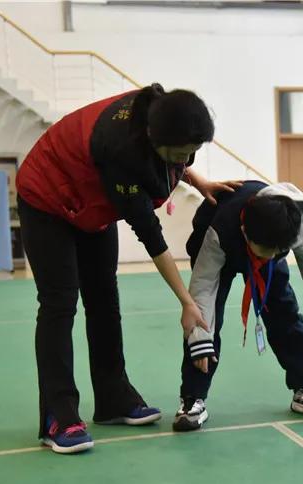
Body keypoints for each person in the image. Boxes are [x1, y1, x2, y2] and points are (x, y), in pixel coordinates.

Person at [16, 83, 238, 453]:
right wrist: (186, 300)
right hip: (48, 198)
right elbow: (151, 237)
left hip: (91, 203)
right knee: (59, 302)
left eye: (193, 153)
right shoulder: (121, 151)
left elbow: (173, 163)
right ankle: (58, 415)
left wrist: (200, 183)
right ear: (154, 139)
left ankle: (113, 398)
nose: (187, 160)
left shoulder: (163, 113)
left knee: (104, 297)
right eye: (182, 154)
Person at [172, 180, 303, 432]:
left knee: (284, 312)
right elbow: (203, 286)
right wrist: (199, 340)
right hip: (219, 248)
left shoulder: (291, 227)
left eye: (277, 251)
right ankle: (192, 398)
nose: (269, 257)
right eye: (264, 252)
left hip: (267, 238)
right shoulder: (221, 231)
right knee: (204, 320)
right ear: (244, 231)